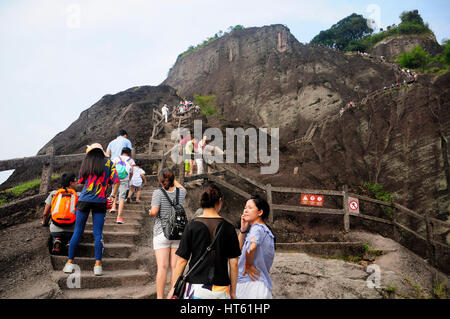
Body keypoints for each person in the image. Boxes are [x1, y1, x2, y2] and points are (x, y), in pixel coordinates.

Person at [168, 183, 241, 299]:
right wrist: (233, 292)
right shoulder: (229, 228)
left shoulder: (191, 226)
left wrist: (173, 289)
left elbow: (181, 261)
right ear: (220, 201)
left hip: (196, 287)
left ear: (201, 201)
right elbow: (234, 263)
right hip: (221, 288)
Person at [63, 143, 120, 276]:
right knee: (98, 233)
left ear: (90, 152)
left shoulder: (86, 162)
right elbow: (116, 181)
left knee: (77, 231)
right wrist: (112, 196)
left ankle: (69, 263)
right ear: (101, 152)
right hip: (100, 201)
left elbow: (81, 181)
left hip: (84, 200)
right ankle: (98, 266)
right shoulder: (109, 163)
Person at [149, 168, 187, 299]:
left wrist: (150, 212)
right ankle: (172, 296)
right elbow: (184, 189)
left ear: (160, 180)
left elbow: (154, 212)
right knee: (175, 268)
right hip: (177, 234)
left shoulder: (158, 193)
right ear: (172, 179)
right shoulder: (180, 193)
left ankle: (160, 298)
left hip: (162, 233)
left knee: (162, 268)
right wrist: (173, 180)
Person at [236, 195, 275, 299]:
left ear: (260, 212)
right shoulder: (266, 231)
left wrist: (248, 265)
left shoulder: (257, 229)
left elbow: (251, 248)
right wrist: (243, 230)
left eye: (250, 207)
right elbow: (236, 251)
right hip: (259, 285)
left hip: (249, 287)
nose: (245, 211)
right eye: (245, 208)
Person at [42, 173, 79, 255]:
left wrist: (44, 223)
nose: (77, 183)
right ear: (70, 183)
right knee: (73, 235)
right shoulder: (78, 195)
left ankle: (56, 240)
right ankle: (70, 243)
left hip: (55, 229)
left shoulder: (54, 194)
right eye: (75, 181)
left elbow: (45, 213)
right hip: (72, 229)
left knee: (56, 234)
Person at [111, 147, 135, 224]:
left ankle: (113, 206)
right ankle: (119, 217)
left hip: (115, 178)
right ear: (129, 153)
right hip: (124, 180)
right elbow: (131, 173)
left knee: (114, 193)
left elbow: (112, 169)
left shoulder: (116, 158)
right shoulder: (131, 160)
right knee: (121, 197)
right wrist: (129, 180)